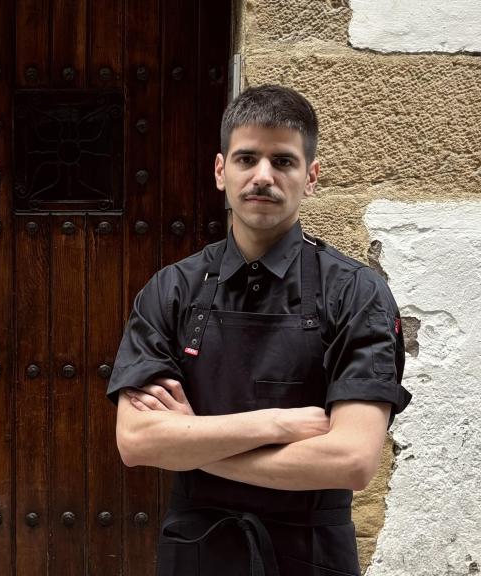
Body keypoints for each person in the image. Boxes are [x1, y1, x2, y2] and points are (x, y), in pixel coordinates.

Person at [109, 85, 411, 576]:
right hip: (197, 553)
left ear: (311, 177)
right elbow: (137, 441)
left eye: (283, 161)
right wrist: (278, 424)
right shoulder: (172, 290)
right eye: (247, 158)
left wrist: (191, 448)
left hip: (311, 555)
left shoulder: (357, 294)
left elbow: (352, 460)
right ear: (220, 171)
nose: (263, 176)